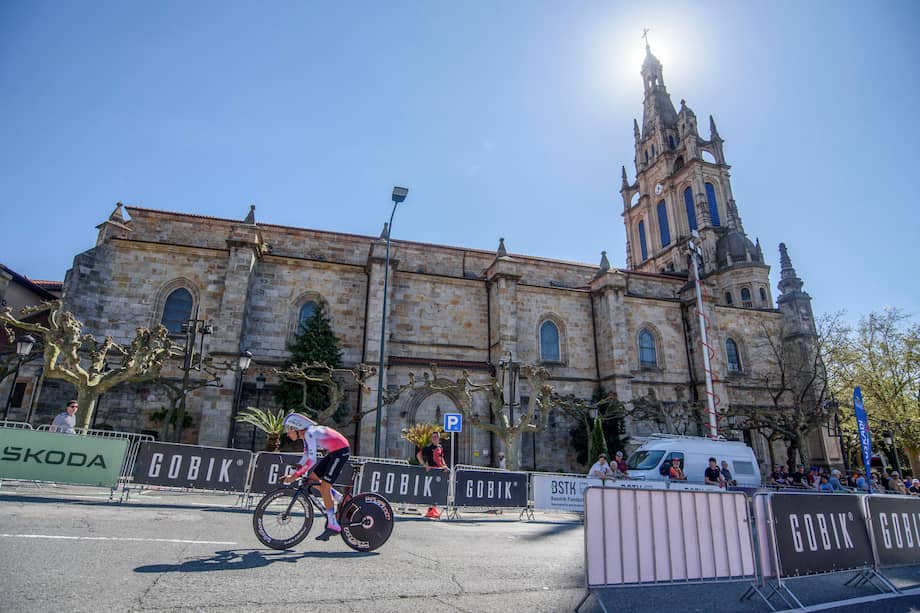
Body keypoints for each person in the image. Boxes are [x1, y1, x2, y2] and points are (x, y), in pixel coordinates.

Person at [281, 413, 351, 540]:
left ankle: (333, 524)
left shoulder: (309, 433)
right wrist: (297, 468)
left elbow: (312, 460)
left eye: (288, 429)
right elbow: (306, 456)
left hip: (341, 452)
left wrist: (295, 476)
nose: (287, 433)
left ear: (297, 428)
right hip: (333, 452)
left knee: (324, 486)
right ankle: (339, 498)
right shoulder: (306, 435)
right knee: (312, 480)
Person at [418, 431, 449, 518]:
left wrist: (445, 466)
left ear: (439, 438)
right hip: (432, 472)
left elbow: (441, 458)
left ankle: (434, 509)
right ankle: (430, 510)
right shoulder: (428, 447)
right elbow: (419, 455)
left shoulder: (440, 447)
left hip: (440, 472)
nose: (434, 438)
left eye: (435, 437)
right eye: (433, 437)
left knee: (437, 491)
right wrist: (424, 465)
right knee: (432, 491)